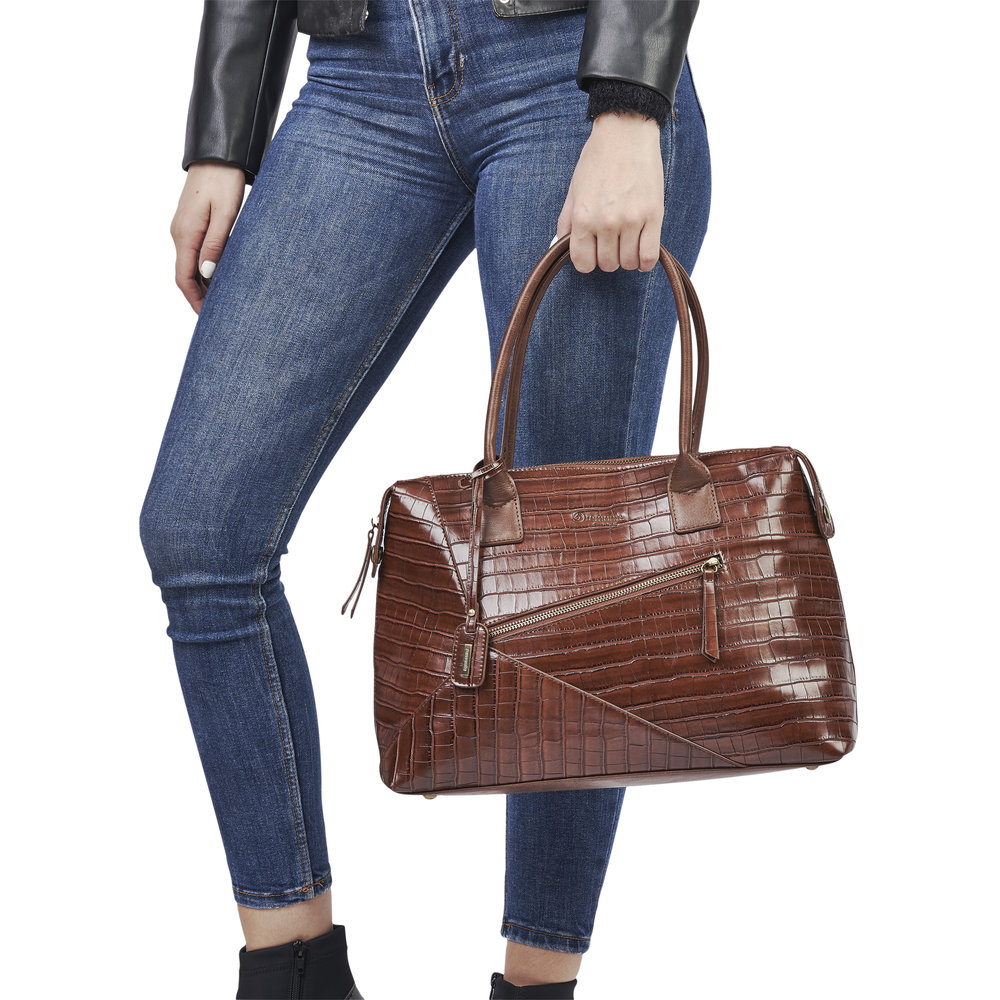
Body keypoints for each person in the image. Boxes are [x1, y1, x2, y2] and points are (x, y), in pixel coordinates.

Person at [139, 1, 709, 996]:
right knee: (200, 529)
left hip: (565, 67)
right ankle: (295, 973)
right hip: (359, 75)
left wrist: (629, 99)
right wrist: (223, 139)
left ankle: (537, 984)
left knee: (565, 572)